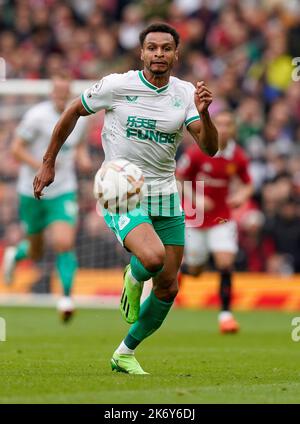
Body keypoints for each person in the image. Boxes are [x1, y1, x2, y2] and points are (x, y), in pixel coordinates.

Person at [33, 23, 218, 374]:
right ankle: (133, 278)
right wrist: (48, 163)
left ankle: (125, 352)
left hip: (166, 193)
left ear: (176, 54)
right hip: (121, 188)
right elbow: (73, 110)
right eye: (152, 48)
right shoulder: (118, 85)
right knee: (151, 258)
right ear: (142, 52)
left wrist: (205, 113)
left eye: (166, 48)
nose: (159, 54)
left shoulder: (183, 94)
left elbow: (210, 147)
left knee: (167, 287)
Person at [3, 75, 92, 322]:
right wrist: (43, 164)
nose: (61, 96)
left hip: (64, 190)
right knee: (36, 251)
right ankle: (17, 254)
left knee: (64, 242)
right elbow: (16, 149)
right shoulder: (36, 117)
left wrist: (83, 158)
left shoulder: (80, 118)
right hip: (32, 190)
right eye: (57, 91)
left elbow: (80, 145)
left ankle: (65, 298)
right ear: (51, 92)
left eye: (65, 92)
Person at [177, 110, 254, 333]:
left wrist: (242, 196)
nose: (223, 128)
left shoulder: (238, 156)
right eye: (219, 123)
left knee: (225, 263)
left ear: (233, 129)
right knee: (197, 270)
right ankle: (182, 272)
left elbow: (248, 183)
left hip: (222, 219)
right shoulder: (196, 153)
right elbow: (178, 178)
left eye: (228, 124)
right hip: (196, 218)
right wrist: (196, 198)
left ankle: (226, 315)